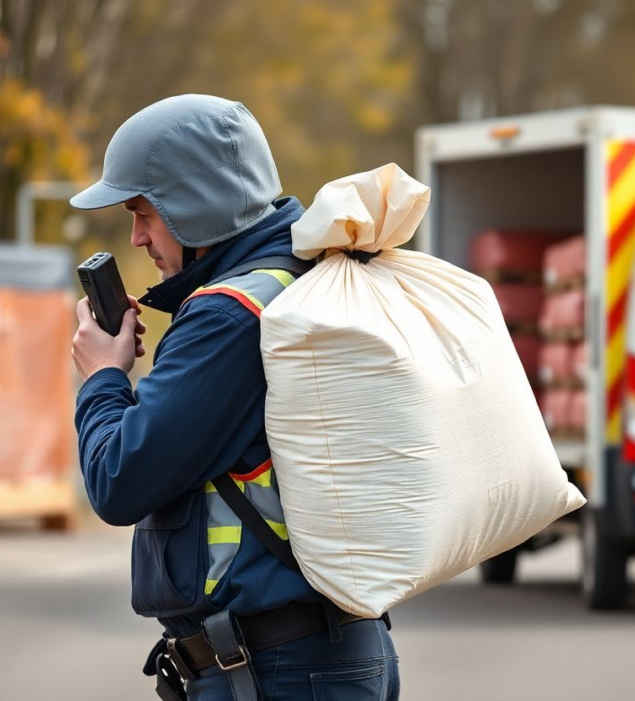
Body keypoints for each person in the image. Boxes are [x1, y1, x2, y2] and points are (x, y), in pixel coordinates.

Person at [69, 94, 399, 701]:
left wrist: (101, 377)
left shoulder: (230, 316)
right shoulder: (296, 277)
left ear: (197, 206)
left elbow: (119, 479)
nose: (137, 238)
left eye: (144, 213)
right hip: (321, 655)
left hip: (278, 668)